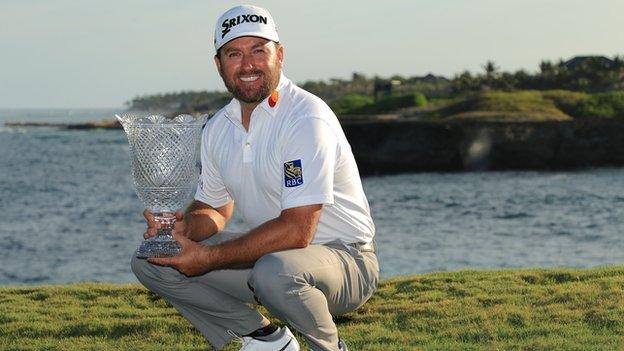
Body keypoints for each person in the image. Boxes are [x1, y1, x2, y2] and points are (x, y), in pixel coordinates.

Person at [131, 4, 378, 351]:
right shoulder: (219, 127)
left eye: (258, 51)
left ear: (279, 55)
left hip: (347, 260)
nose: (247, 65)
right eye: (234, 53)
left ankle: (330, 348)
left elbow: (297, 230)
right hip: (273, 260)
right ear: (219, 64)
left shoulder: (305, 119)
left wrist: (208, 259)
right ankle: (266, 338)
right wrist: (183, 228)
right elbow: (215, 210)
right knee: (152, 258)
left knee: (273, 272)